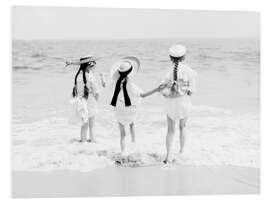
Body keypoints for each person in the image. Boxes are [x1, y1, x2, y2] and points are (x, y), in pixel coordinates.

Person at [109, 56, 165, 156]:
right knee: (132, 123)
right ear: (130, 73)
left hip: (119, 110)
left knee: (122, 134)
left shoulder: (115, 83)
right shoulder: (131, 85)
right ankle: (134, 142)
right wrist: (157, 89)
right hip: (130, 110)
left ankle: (123, 152)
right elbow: (143, 95)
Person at [160, 45, 198, 164]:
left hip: (171, 104)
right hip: (183, 103)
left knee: (170, 130)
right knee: (183, 127)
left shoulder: (168, 72)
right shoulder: (190, 72)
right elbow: (191, 91)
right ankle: (181, 152)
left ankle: (168, 155)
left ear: (170, 58)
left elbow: (163, 90)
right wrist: (184, 90)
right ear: (184, 57)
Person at [66, 55, 103, 143]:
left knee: (84, 124)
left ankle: (83, 141)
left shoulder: (78, 75)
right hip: (90, 100)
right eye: (93, 64)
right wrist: (97, 100)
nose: (94, 66)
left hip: (81, 101)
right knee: (92, 124)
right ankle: (92, 139)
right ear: (89, 65)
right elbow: (96, 91)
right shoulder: (90, 76)